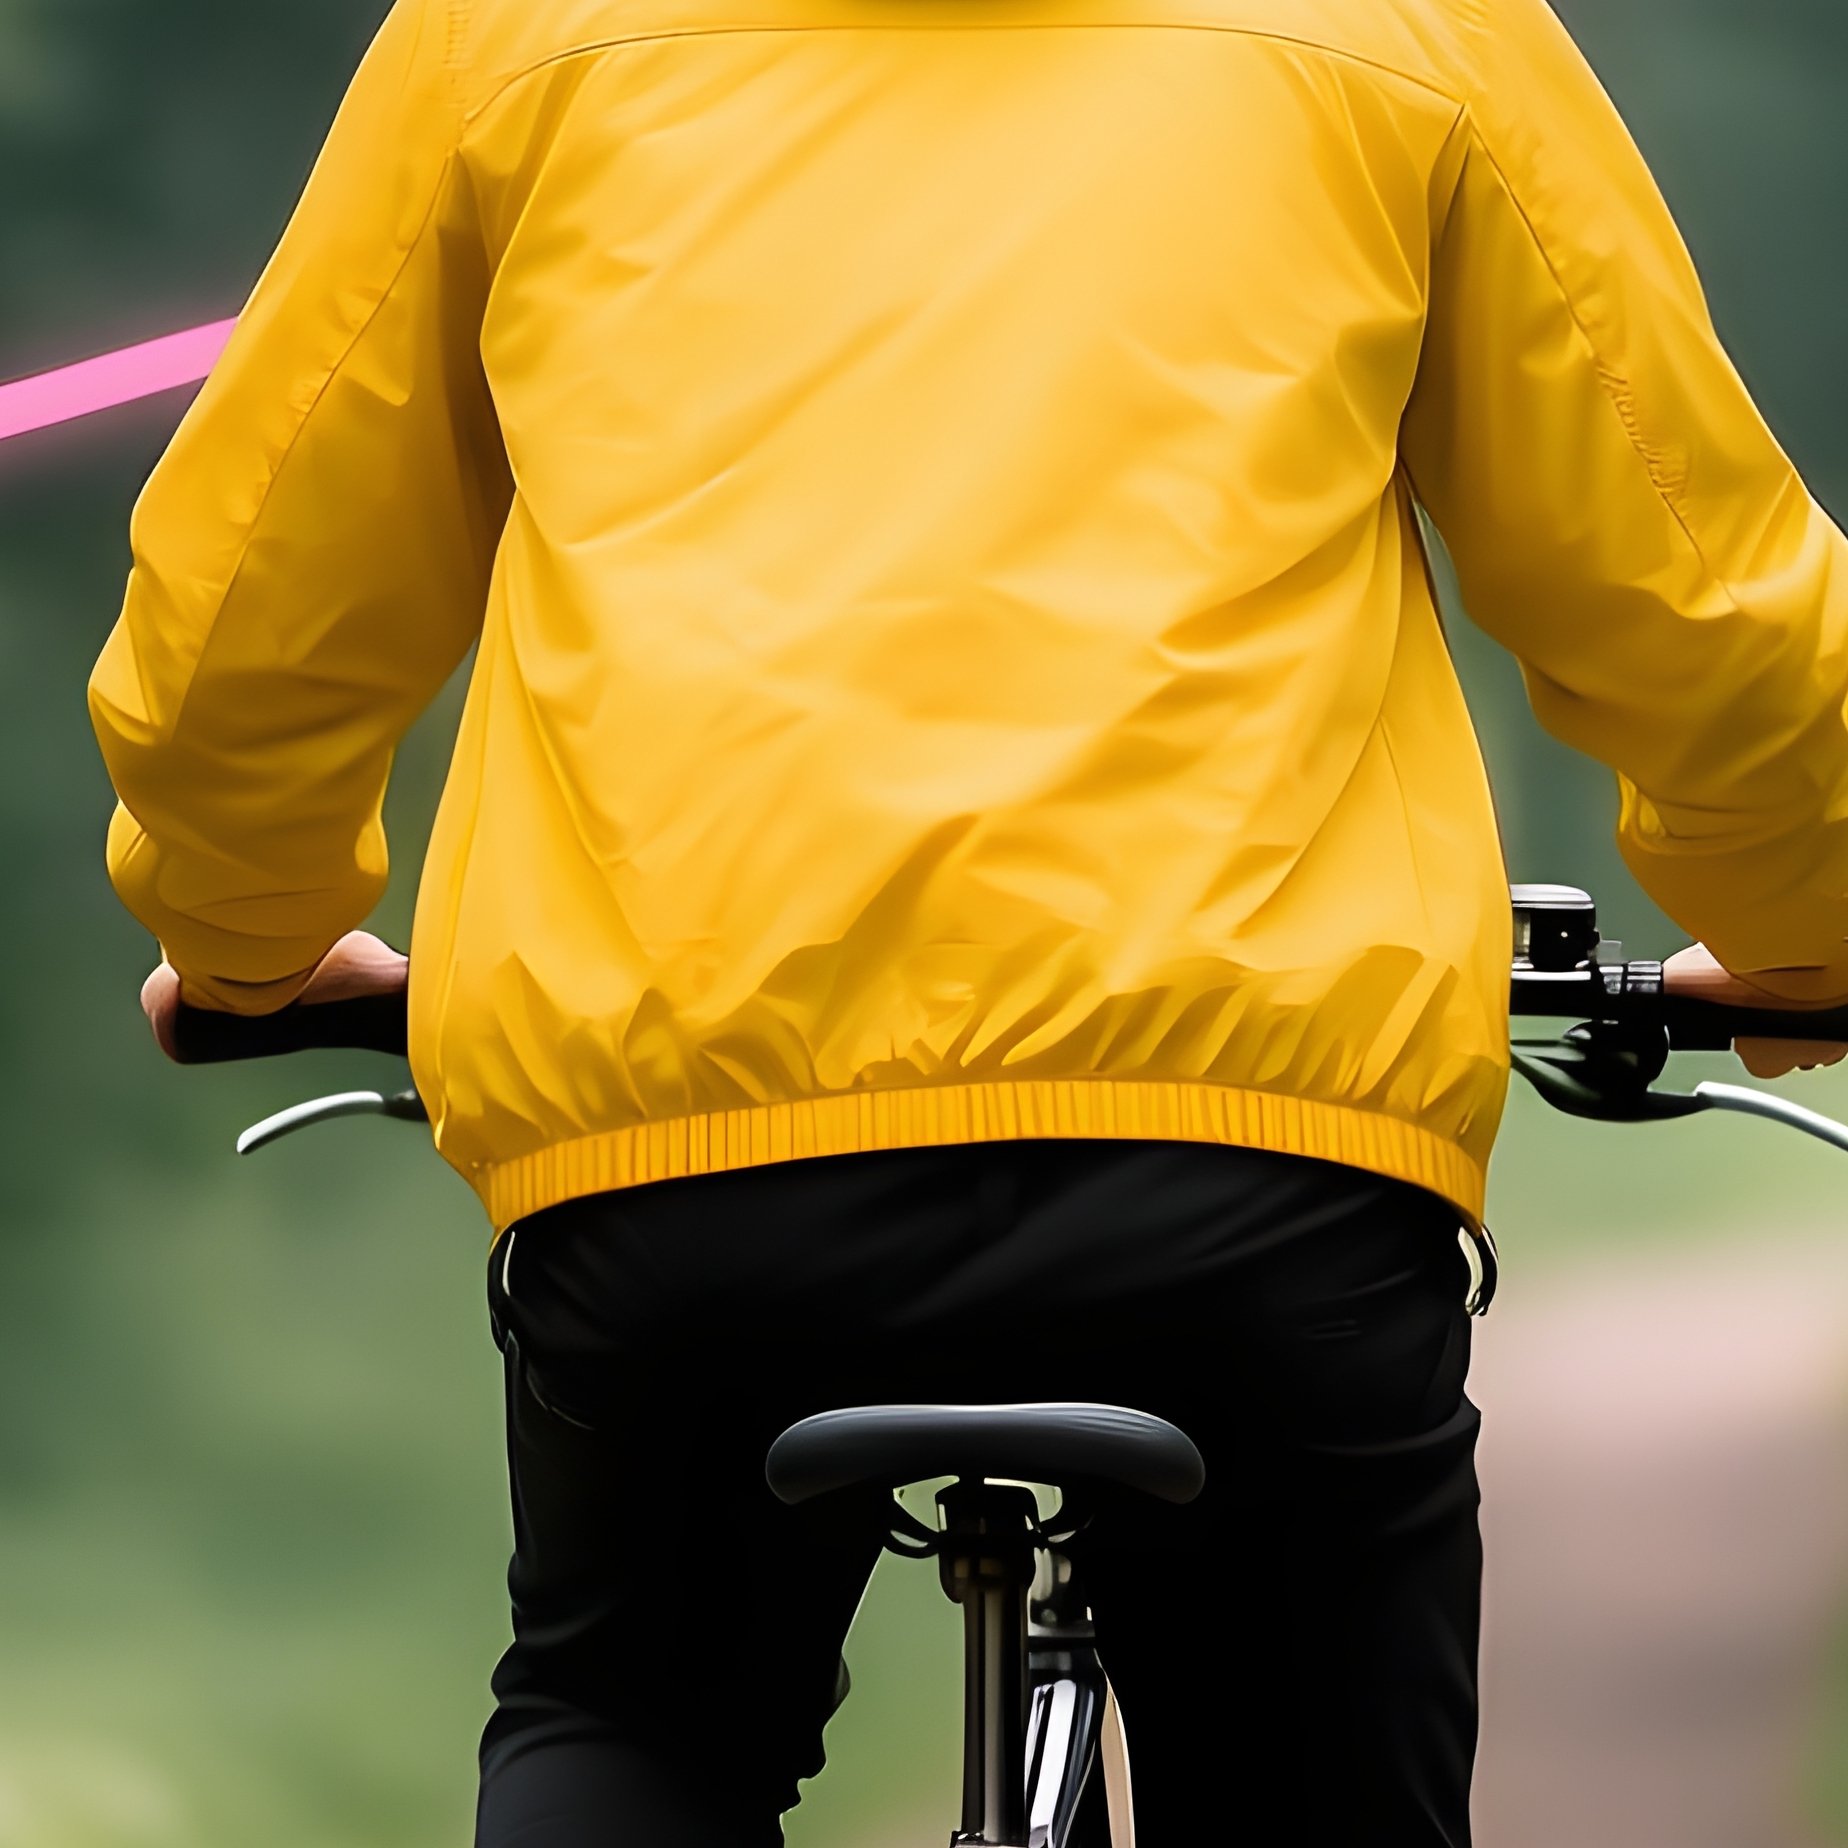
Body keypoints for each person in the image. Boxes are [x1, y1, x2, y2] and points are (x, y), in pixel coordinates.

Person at [94, 0, 1848, 1840]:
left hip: (687, 1163)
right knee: (1317, 1769)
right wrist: (1805, 924)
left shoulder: (512, 34)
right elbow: (1696, 595)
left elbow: (247, 616)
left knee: (637, 1711)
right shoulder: (1409, 27)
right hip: (1254, 1174)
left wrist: (251, 939)